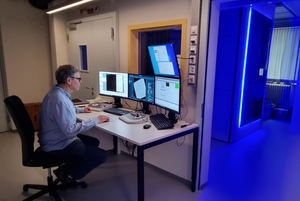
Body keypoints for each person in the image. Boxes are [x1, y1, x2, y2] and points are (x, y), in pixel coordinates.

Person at [38, 64, 110, 183]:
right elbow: (70, 130)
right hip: (57, 143)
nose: (81, 82)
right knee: (102, 155)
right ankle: (69, 175)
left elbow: (61, 112)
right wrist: (96, 120)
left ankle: (66, 168)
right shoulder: (60, 100)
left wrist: (80, 110)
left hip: (54, 138)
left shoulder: (57, 93)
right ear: (69, 80)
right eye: (79, 79)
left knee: (94, 142)